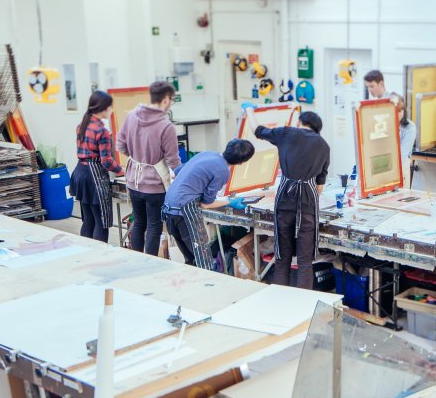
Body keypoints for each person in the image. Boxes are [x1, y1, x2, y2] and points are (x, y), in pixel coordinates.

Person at [254, 111, 330, 290]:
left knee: (282, 258)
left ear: (300, 122)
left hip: (285, 201)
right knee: (305, 261)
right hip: (308, 204)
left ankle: (281, 303)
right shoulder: (324, 146)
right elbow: (320, 187)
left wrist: (249, 111)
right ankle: (303, 307)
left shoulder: (287, 133)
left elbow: (257, 130)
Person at [162, 139, 254, 269]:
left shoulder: (207, 154)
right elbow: (205, 204)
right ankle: (209, 287)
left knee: (190, 258)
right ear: (241, 162)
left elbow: (175, 175)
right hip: (184, 211)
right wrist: (230, 202)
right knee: (203, 259)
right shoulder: (223, 171)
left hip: (168, 207)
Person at [116, 81, 180, 256]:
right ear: (166, 100)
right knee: (153, 226)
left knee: (138, 222)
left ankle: (136, 262)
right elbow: (173, 160)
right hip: (154, 185)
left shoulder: (130, 116)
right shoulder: (166, 126)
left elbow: (120, 145)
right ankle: (150, 264)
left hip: (133, 182)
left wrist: (138, 158)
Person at [69, 90, 124, 242]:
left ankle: (88, 253)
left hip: (80, 173)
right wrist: (122, 171)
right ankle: (101, 256)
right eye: (110, 107)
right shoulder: (102, 131)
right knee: (101, 221)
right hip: (94, 177)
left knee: (88, 219)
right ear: (104, 108)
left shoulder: (81, 125)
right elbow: (106, 161)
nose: (112, 110)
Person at [389, 93, 416, 188]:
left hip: (401, 166)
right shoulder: (384, 125)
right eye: (396, 110)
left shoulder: (409, 127)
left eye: (401, 110)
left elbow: (402, 154)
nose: (399, 114)